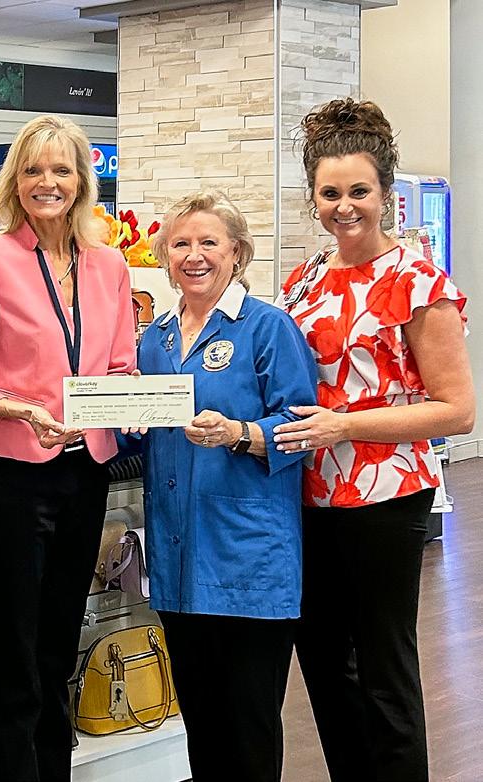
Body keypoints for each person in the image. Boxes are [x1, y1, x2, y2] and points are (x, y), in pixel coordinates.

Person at [275, 98, 475, 781]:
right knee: (324, 664)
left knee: (384, 667)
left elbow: (457, 411)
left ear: (386, 193)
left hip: (388, 498)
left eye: (359, 191)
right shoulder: (305, 278)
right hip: (309, 495)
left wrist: (345, 425)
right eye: (330, 193)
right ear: (314, 198)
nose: (345, 207)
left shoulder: (419, 283)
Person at [0, 114, 136, 782]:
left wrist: (119, 408)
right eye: (32, 170)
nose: (47, 182)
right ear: (14, 183)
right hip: (18, 478)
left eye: (61, 169)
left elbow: (121, 369)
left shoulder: (109, 266)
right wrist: (19, 409)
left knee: (60, 649)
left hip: (88, 474)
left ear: (82, 180)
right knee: (17, 654)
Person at [134, 191, 318, 782]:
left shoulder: (268, 328)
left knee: (248, 729)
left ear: (236, 252)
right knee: (203, 726)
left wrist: (240, 433)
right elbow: (147, 433)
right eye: (180, 244)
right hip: (178, 558)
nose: (194, 255)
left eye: (209, 242)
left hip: (248, 559)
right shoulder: (155, 339)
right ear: (164, 257)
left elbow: (303, 427)